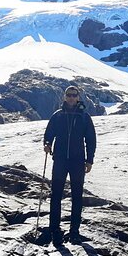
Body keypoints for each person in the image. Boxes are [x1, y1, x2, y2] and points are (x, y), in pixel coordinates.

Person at [43, 86, 96, 246]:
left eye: (74, 95)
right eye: (69, 95)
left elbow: (91, 140)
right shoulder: (57, 116)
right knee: (56, 195)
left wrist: (89, 160)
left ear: (78, 97)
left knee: (77, 197)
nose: (71, 98)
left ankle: (74, 232)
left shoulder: (84, 117)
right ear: (64, 97)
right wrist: (47, 144)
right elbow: (49, 134)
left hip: (77, 161)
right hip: (60, 160)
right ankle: (55, 231)